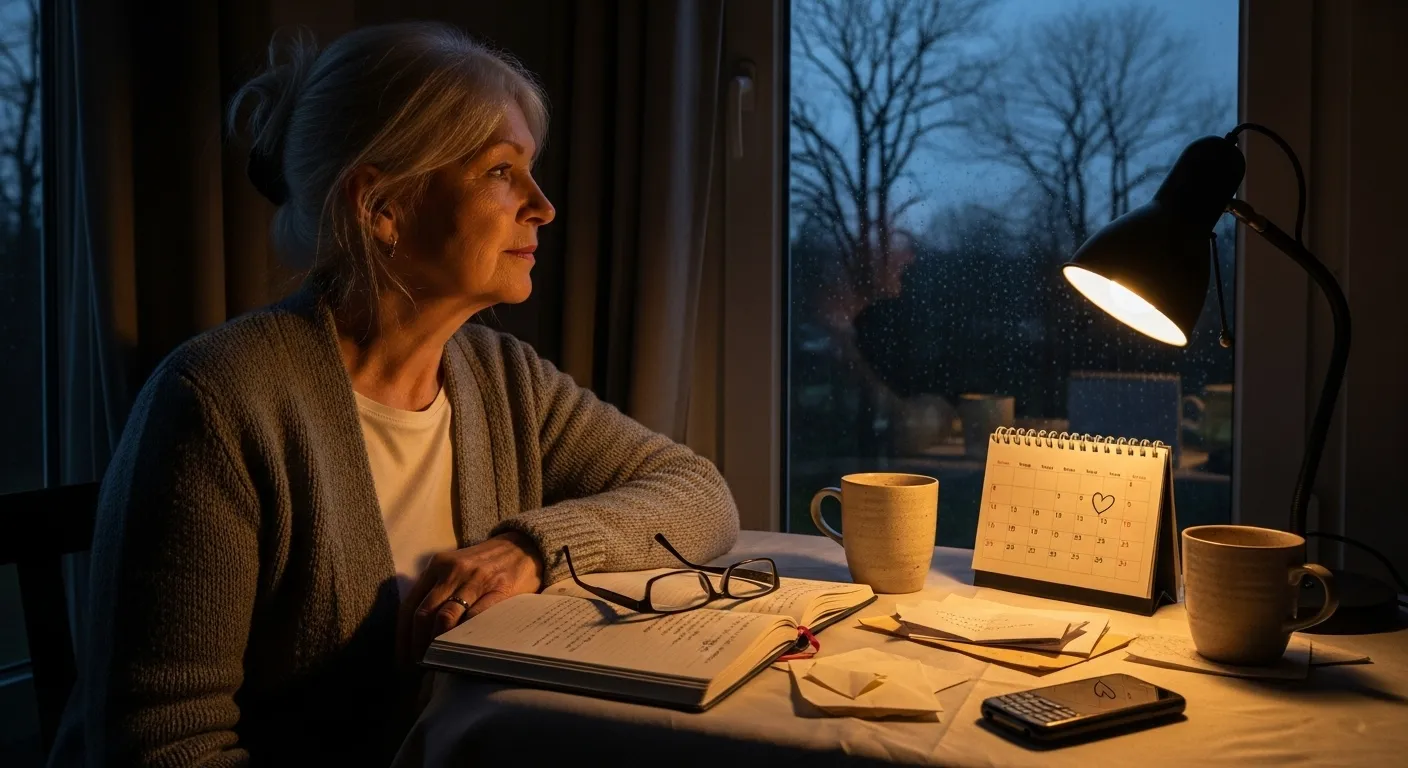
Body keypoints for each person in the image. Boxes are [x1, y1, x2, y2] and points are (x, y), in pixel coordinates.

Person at [51, 22, 739, 765]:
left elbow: (700, 494)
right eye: (501, 173)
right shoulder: (217, 402)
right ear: (382, 206)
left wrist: (530, 550)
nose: (542, 206)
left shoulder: (501, 378)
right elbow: (160, 744)